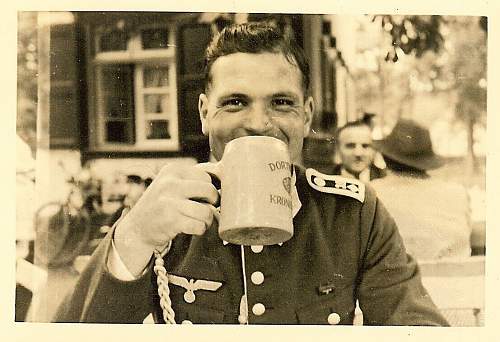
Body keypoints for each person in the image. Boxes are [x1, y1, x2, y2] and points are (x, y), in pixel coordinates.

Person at [54, 22, 447, 325]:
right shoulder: (163, 212)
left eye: (281, 102)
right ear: (205, 113)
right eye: (235, 102)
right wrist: (135, 235)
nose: (259, 123)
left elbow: (416, 325)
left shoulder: (352, 214)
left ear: (306, 116)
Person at [371, 119, 471, 261]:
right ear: (427, 161)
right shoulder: (458, 193)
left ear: (386, 158)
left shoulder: (372, 192)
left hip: (398, 281)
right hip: (456, 279)